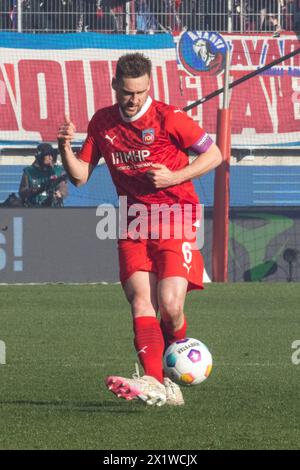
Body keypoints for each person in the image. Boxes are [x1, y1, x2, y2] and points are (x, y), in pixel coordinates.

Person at [57, 53, 222, 406]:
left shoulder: (169, 117)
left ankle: (167, 374)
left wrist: (174, 176)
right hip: (132, 221)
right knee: (141, 301)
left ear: (150, 87)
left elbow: (215, 154)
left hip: (176, 215)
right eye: (128, 92)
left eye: (141, 92)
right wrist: (64, 148)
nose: (134, 100)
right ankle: (154, 380)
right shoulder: (102, 122)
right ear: (115, 85)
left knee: (171, 304)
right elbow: (80, 175)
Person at [19, 143, 68, 207]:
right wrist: (32, 191)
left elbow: (63, 189)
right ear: (40, 156)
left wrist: (60, 194)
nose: (50, 158)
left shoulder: (58, 171)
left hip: (53, 209)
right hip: (32, 209)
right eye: (47, 155)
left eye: (52, 155)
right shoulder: (28, 172)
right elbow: (22, 192)